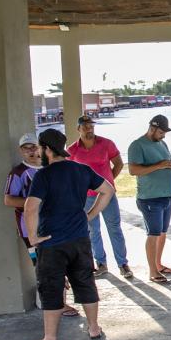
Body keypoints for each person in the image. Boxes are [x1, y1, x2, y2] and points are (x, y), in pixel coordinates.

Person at [24, 128, 116, 340]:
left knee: (51, 288)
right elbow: (108, 190)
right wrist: (90, 215)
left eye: (40, 149)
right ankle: (94, 328)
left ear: (47, 149)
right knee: (85, 282)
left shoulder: (43, 175)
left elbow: (31, 207)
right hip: (79, 239)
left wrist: (33, 237)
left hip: (52, 242)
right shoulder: (81, 169)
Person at [4, 132, 78, 317]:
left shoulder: (49, 169)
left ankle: (55, 302)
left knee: (59, 263)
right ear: (21, 151)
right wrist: (35, 202)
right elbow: (9, 200)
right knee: (44, 266)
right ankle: (52, 304)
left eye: (34, 147)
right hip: (30, 229)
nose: (31, 151)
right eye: (26, 148)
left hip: (55, 226)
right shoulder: (18, 173)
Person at [67, 115, 131, 279]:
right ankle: (101, 263)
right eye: (85, 126)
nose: (89, 129)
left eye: (91, 126)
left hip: (107, 196)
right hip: (86, 197)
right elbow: (69, 173)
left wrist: (108, 183)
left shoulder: (106, 143)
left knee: (114, 228)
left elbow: (119, 164)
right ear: (78, 129)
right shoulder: (72, 150)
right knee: (92, 230)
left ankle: (123, 264)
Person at [128, 115, 171, 283]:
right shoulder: (137, 145)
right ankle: (152, 272)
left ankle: (158, 264)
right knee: (153, 233)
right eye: (161, 132)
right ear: (152, 128)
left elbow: (164, 162)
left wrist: (170, 164)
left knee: (162, 233)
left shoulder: (162, 143)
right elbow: (134, 170)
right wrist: (160, 165)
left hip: (166, 195)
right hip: (150, 198)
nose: (164, 135)